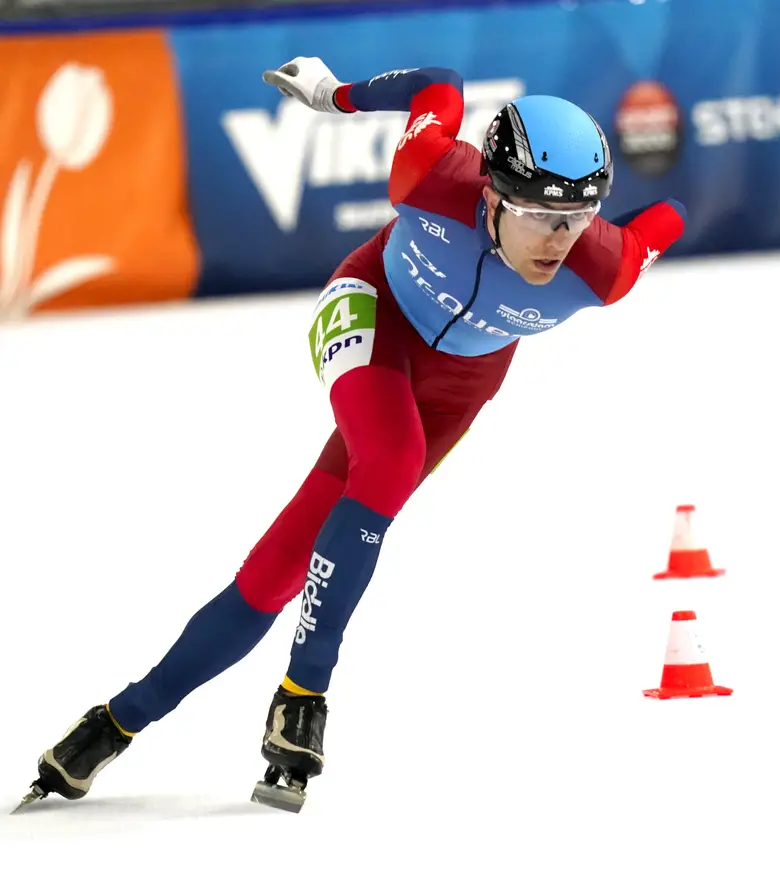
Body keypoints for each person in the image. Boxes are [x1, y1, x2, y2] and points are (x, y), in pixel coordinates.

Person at [19, 57, 687, 812]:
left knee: (277, 570)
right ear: (491, 193)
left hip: (460, 389)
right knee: (391, 461)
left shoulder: (604, 268)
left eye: (577, 216)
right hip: (375, 307)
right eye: (535, 212)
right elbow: (438, 85)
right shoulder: (430, 176)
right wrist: (335, 96)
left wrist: (627, 225)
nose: (557, 238)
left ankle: (114, 722)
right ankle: (303, 696)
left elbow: (667, 216)